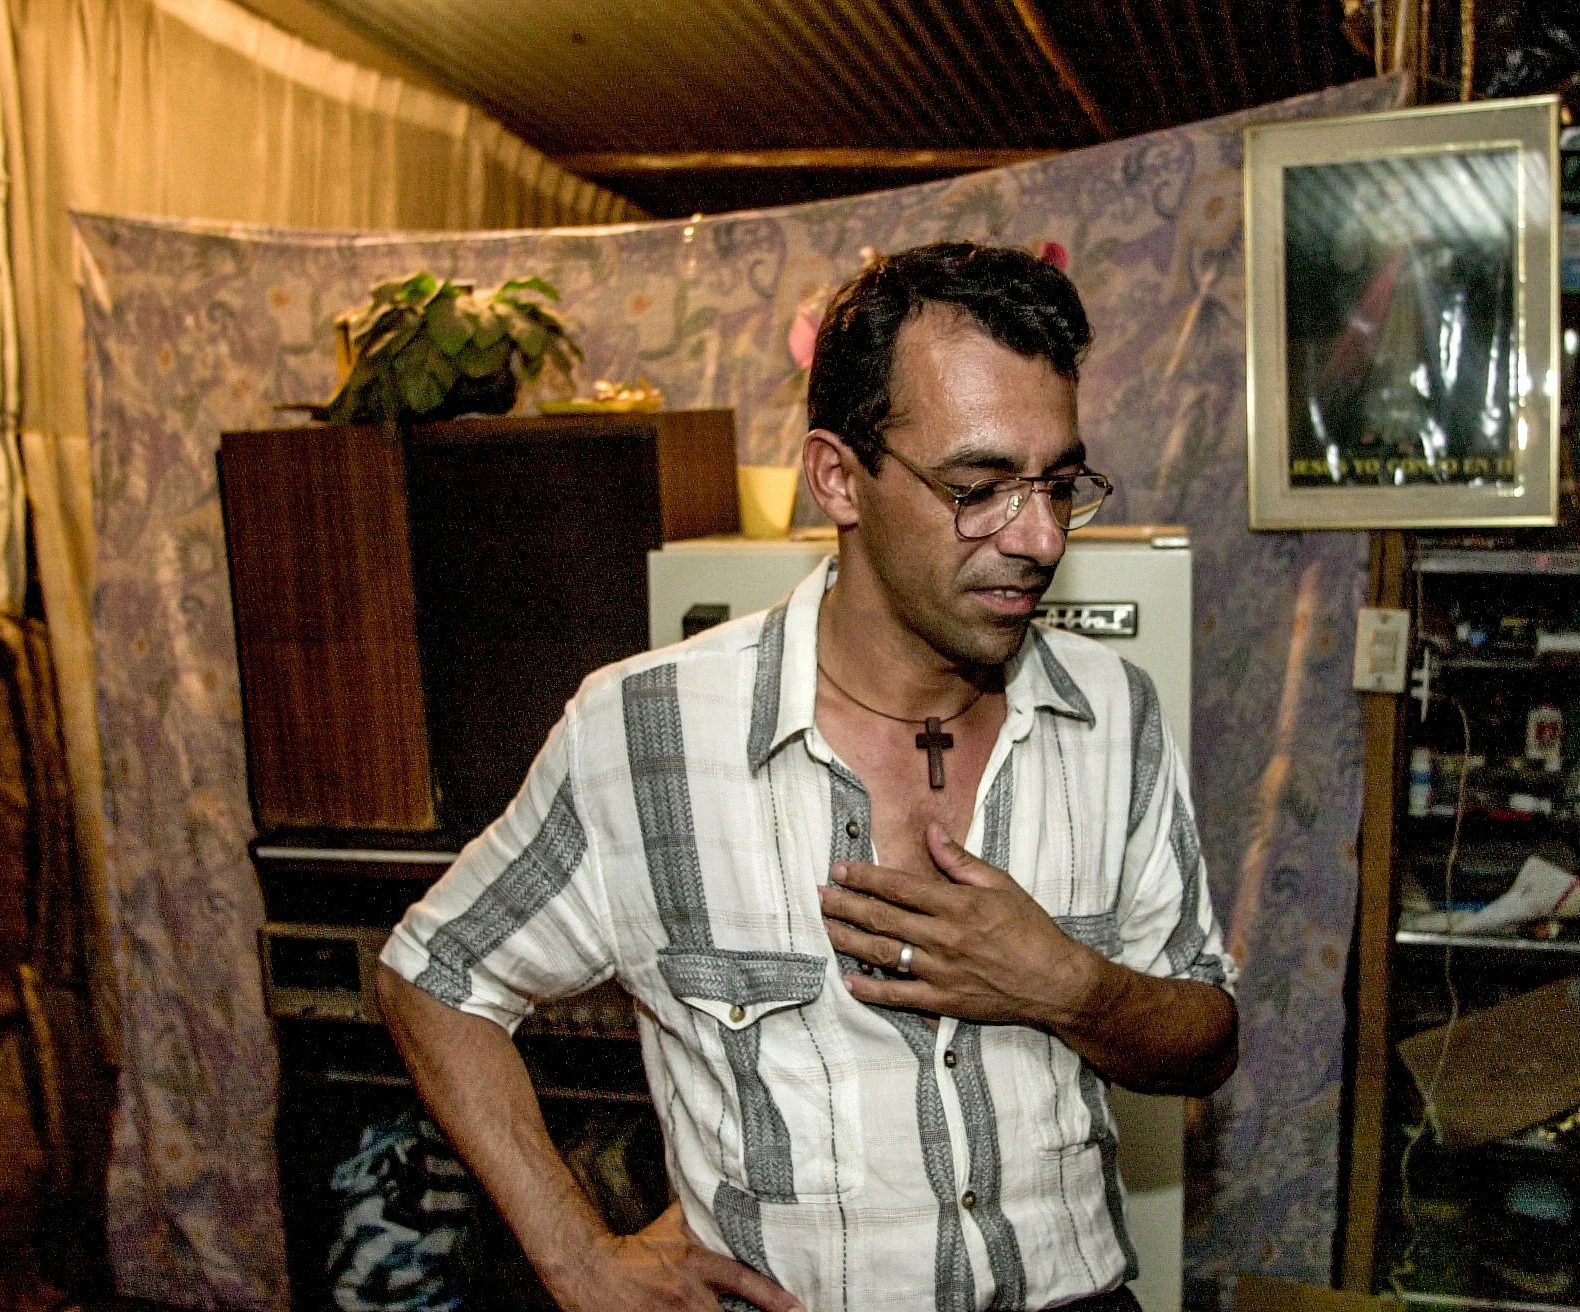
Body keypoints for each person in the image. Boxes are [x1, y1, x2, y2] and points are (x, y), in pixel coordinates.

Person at [376, 241, 1239, 1312]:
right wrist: (576, 1256)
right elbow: (434, 976)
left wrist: (1067, 984)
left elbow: (1206, 1037)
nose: (1038, 535)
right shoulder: (644, 732)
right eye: (978, 489)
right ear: (837, 475)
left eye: (1059, 484)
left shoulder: (1115, 714)